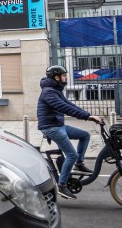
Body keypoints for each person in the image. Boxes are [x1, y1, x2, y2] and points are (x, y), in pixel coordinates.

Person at [37, 65, 103, 200]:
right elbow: (64, 108)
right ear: (57, 77)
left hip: (57, 125)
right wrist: (87, 117)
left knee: (85, 135)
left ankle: (79, 163)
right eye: (64, 75)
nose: (65, 78)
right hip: (51, 127)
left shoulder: (55, 90)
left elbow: (70, 104)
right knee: (71, 155)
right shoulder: (48, 92)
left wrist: (88, 115)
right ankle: (62, 185)